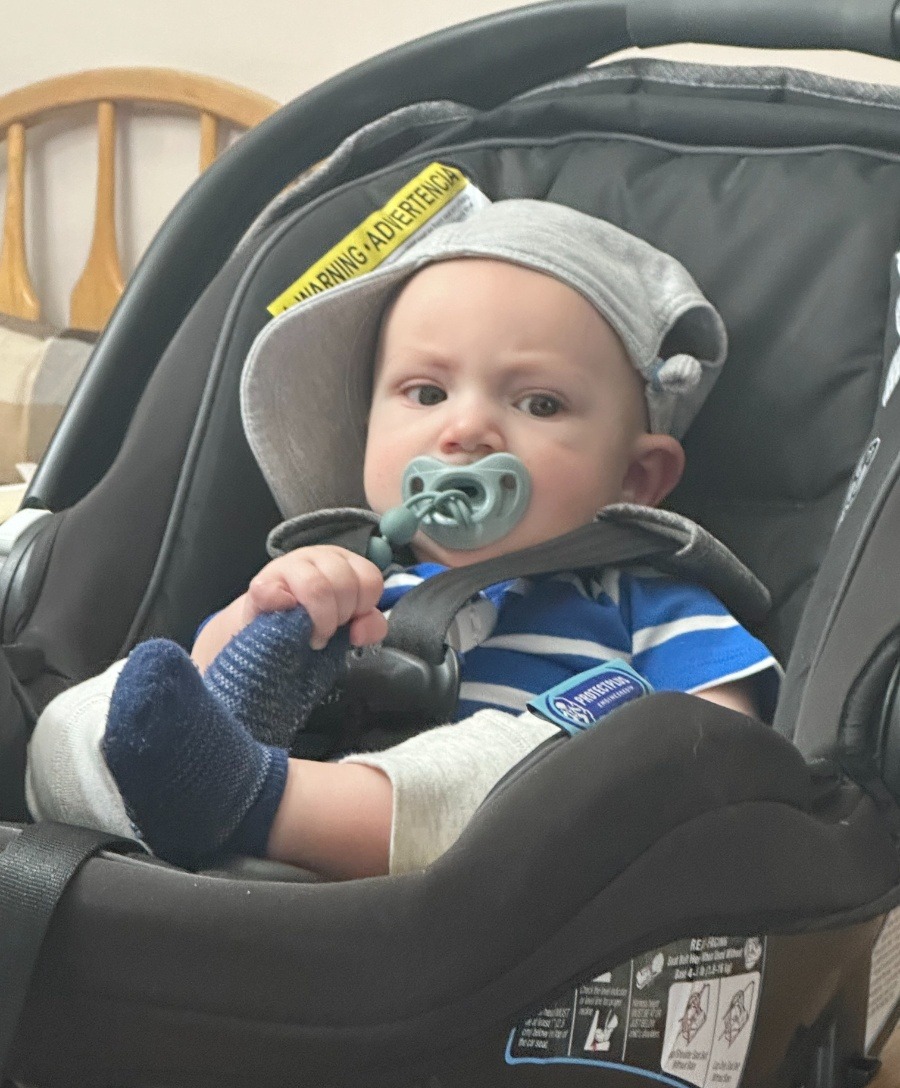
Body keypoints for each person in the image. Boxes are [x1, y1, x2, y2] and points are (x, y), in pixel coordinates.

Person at [26, 200, 778, 878]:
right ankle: (204, 799)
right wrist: (261, 616)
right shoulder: (342, 574)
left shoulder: (647, 603)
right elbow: (186, 699)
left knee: (552, 769)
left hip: (491, 886)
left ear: (637, 478)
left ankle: (256, 803)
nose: (466, 429)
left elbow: (719, 754)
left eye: (539, 404)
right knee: (89, 713)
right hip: (252, 877)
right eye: (427, 392)